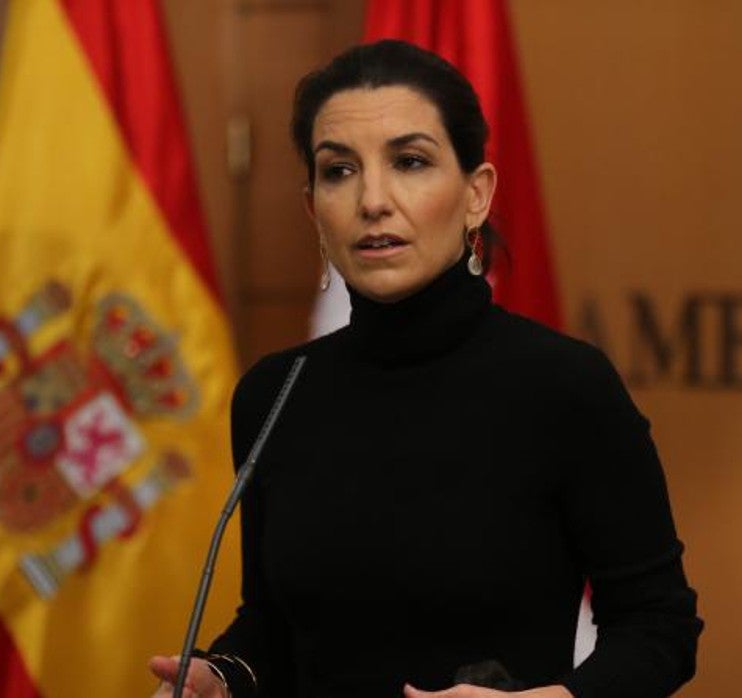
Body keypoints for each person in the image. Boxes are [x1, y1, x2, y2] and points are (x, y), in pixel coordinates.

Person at [149, 39, 702, 698]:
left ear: (476, 195)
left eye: (409, 162)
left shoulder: (564, 387)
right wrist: (225, 676)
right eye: (339, 171)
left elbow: (658, 628)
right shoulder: (274, 392)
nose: (372, 200)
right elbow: (273, 623)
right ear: (313, 212)